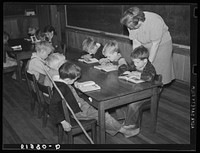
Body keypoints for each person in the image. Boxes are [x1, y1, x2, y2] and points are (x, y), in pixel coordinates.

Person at [49, 61, 140, 138]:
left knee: (97, 108)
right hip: (78, 111)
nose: (75, 81)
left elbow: (67, 90)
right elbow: (53, 106)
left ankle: (112, 127)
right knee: (103, 115)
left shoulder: (59, 81)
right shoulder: (61, 88)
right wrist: (63, 122)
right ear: (68, 79)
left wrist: (72, 84)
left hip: (79, 105)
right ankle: (124, 131)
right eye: (74, 79)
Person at [120, 6, 175, 85]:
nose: (131, 29)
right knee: (141, 68)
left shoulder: (154, 21)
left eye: (133, 27)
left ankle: (155, 91)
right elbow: (136, 43)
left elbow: (155, 45)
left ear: (140, 21)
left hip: (161, 46)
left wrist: (148, 63)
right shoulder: (130, 22)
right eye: (130, 28)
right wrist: (137, 58)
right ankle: (144, 90)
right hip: (144, 43)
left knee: (156, 71)